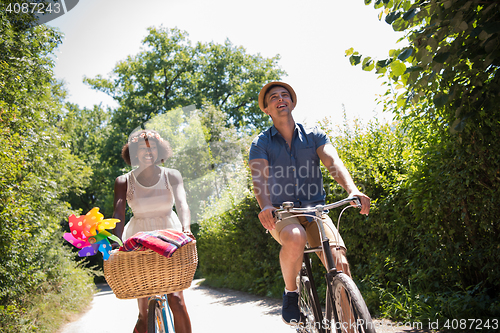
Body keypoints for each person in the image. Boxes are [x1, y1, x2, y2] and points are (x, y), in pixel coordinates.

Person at [248, 82, 371, 325]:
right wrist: (265, 206)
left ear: (292, 103)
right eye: (273, 97)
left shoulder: (314, 134)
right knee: (295, 236)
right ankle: (291, 292)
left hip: (315, 209)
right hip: (283, 213)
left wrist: (353, 189)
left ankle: (348, 329)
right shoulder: (261, 143)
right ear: (266, 109)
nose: (280, 98)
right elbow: (259, 179)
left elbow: (333, 162)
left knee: (340, 263)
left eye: (285, 95)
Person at [112, 129, 193, 333]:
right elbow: (118, 212)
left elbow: (182, 204)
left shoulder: (172, 175)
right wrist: (115, 241)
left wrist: (187, 229)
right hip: (138, 239)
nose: (147, 152)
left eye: (152, 148)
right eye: (141, 148)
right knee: (143, 313)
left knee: (177, 301)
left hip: (170, 236)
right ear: (134, 153)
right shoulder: (123, 181)